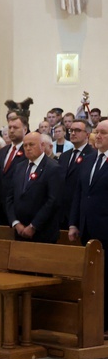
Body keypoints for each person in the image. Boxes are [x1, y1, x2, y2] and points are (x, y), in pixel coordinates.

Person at [69, 119, 108, 337]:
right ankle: (93, 321)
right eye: (97, 132)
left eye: (103, 132)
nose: (98, 136)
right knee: (91, 279)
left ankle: (105, 324)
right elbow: (80, 193)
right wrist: (74, 223)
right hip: (88, 229)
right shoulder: (90, 160)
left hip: (106, 228)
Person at [6, 132, 64, 244]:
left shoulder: (53, 168)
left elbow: (53, 201)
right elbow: (10, 196)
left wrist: (34, 226)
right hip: (20, 230)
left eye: (31, 145)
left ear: (42, 145)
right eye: (25, 145)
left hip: (43, 232)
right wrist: (15, 222)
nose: (28, 148)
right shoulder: (19, 167)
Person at [60, 119, 95, 229]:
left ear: (87, 134)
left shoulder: (93, 155)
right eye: (71, 130)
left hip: (80, 212)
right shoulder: (64, 156)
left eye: (77, 130)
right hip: (61, 213)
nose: (73, 133)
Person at [0, 114, 28, 225]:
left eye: (15, 128)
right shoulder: (2, 152)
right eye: (10, 128)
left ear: (25, 129)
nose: (12, 130)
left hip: (18, 207)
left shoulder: (28, 152)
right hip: (0, 207)